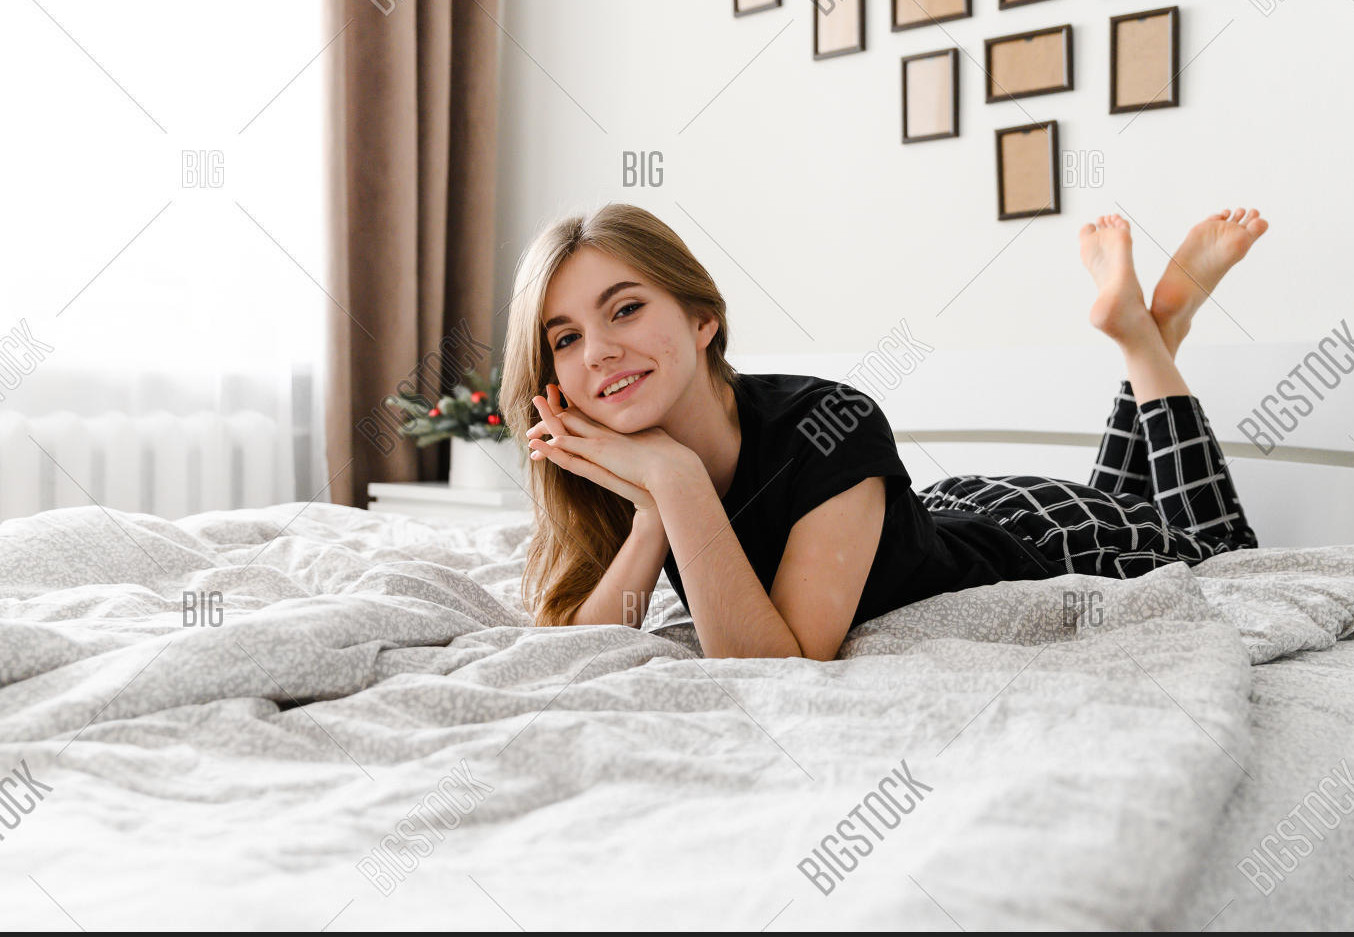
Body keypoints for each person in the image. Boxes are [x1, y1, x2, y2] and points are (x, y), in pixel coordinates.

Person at [501, 203, 1269, 661]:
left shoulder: (828, 423)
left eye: (625, 308)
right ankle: (1155, 333)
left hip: (1042, 538)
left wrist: (675, 485)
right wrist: (648, 516)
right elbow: (586, 646)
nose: (597, 350)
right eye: (564, 338)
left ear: (703, 319)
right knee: (1134, 500)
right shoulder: (626, 460)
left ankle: (1145, 341)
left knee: (1222, 555)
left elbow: (778, 663)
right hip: (936, 512)